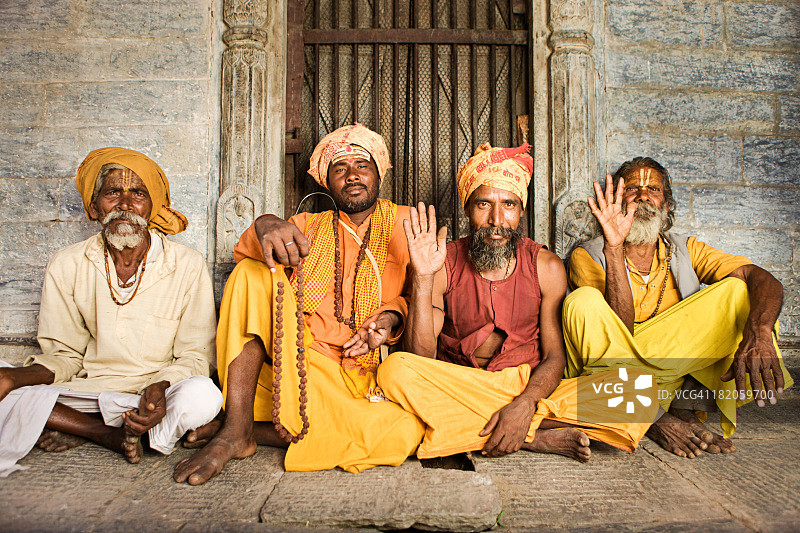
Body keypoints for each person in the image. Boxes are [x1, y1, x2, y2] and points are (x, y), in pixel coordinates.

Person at [173, 124, 425, 485]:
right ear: (326, 181)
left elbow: (426, 296)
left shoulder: (408, 223)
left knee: (400, 429)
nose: (352, 175)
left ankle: (247, 428)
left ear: (379, 172)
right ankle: (237, 429)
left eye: (362, 165)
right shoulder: (305, 224)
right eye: (340, 168)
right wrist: (265, 223)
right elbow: (251, 254)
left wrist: (391, 315)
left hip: (361, 373)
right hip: (297, 364)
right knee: (250, 272)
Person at [376, 144, 657, 462]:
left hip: (527, 388)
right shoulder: (442, 262)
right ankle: (533, 437)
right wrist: (423, 278)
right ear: (468, 209)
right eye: (484, 203)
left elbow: (553, 358)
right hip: (460, 382)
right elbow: (420, 356)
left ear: (521, 210)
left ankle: (494, 425)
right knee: (394, 370)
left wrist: (526, 404)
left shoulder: (547, 267)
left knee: (639, 392)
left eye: (508, 204)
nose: (497, 219)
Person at [0, 147, 220, 477]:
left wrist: (161, 385)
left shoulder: (187, 265)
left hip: (155, 397)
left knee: (204, 396)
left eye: (138, 194)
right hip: (87, 392)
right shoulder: (68, 263)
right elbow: (65, 354)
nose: (125, 204)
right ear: (94, 206)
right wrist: (14, 378)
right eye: (112, 192)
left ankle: (87, 429)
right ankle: (106, 434)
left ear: (153, 206)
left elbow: (196, 356)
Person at [565, 156, 793, 458]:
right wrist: (615, 248)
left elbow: (763, 278)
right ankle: (655, 419)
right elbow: (617, 330)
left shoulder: (685, 248)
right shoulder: (589, 254)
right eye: (632, 188)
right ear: (616, 201)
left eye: (654, 190)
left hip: (673, 381)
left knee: (741, 290)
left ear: (667, 206)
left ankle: (682, 405)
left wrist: (760, 331)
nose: (643, 195)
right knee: (582, 303)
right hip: (611, 380)